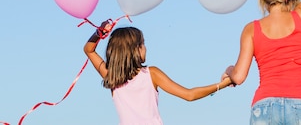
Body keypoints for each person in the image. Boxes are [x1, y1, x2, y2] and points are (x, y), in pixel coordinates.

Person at [84, 24, 230, 125]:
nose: (145, 48)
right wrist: (222, 85)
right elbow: (189, 95)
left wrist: (99, 32)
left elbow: (89, 50)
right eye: (143, 44)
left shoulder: (112, 77)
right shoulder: (151, 74)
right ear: (135, 49)